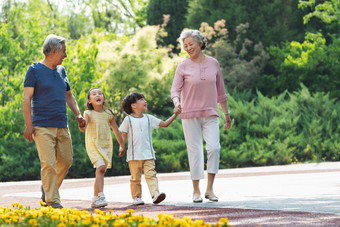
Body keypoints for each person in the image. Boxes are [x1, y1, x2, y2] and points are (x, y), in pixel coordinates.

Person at [23, 34, 85, 208]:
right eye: (64, 51)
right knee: (48, 164)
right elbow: (26, 98)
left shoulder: (61, 71)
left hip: (62, 124)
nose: (65, 55)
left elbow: (69, 95)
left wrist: (78, 115)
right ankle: (52, 200)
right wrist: (29, 124)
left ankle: (48, 187)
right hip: (41, 125)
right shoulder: (34, 70)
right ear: (55, 50)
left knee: (66, 161)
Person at [171, 29, 231, 203]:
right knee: (195, 151)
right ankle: (196, 190)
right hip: (189, 114)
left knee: (214, 148)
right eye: (185, 45)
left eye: (191, 44)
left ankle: (210, 189)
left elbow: (221, 91)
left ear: (200, 43)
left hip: (211, 112)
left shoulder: (214, 63)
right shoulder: (183, 66)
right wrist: (177, 102)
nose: (188, 48)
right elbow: (175, 89)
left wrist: (226, 113)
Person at [119, 92, 180, 205]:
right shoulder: (128, 119)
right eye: (141, 99)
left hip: (149, 154)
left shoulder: (149, 118)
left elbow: (165, 124)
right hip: (134, 155)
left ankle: (155, 194)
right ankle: (137, 197)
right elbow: (123, 134)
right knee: (135, 178)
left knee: (151, 174)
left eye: (144, 99)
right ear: (133, 105)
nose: (145, 101)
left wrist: (175, 115)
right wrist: (122, 147)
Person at [79, 87, 126, 208]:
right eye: (94, 94)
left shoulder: (108, 114)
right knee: (100, 168)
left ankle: (95, 199)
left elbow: (116, 131)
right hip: (93, 145)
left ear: (103, 99)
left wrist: (122, 145)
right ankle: (101, 195)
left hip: (106, 146)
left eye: (100, 93)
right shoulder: (88, 113)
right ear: (89, 101)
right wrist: (81, 124)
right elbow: (83, 128)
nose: (97, 95)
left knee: (102, 171)